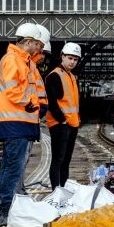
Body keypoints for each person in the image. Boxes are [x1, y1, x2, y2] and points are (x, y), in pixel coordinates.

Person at [0, 23, 44, 226]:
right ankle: (6, 209)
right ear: (28, 42)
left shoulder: (23, 61)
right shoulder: (13, 60)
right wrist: (31, 103)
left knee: (11, 165)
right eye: (36, 44)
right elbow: (13, 90)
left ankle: (9, 207)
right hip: (14, 121)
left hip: (19, 122)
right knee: (13, 166)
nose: (38, 48)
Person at [45, 42, 81, 190]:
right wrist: (62, 120)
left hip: (71, 124)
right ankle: (56, 191)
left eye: (75, 59)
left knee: (66, 161)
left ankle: (63, 189)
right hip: (60, 125)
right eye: (70, 58)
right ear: (62, 57)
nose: (72, 62)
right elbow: (52, 103)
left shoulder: (71, 76)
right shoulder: (54, 76)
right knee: (58, 160)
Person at [20, 24, 51, 192]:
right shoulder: (22, 64)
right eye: (41, 50)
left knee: (22, 161)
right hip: (23, 120)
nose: (43, 56)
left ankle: (19, 191)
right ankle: (16, 195)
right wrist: (34, 106)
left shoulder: (32, 67)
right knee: (18, 161)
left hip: (30, 119)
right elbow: (21, 93)